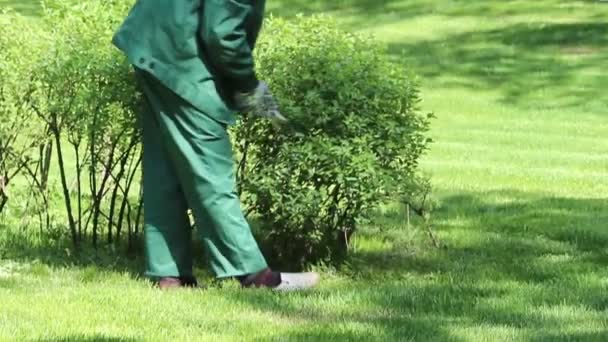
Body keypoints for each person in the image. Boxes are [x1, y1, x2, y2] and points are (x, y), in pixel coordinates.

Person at [112, 0, 319, 291]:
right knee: (210, 165)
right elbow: (223, 33)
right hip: (178, 55)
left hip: (155, 42)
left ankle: (170, 275)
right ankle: (256, 276)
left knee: (167, 167)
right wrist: (249, 86)